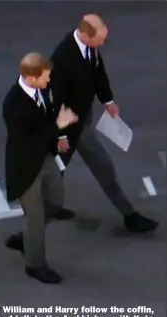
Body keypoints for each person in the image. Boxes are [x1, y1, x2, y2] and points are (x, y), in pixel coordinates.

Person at [49, 13, 158, 233]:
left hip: (81, 117)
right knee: (103, 166)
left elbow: (98, 74)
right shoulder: (63, 58)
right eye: (100, 39)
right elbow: (55, 96)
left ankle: (48, 204)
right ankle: (129, 215)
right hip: (72, 125)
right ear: (86, 35)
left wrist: (107, 100)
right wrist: (61, 131)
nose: (103, 44)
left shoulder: (89, 48)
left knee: (56, 167)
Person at [3, 53, 78, 283]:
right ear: (30, 77)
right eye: (44, 78)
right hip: (25, 166)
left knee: (55, 203)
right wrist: (58, 126)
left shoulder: (41, 88)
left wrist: (59, 135)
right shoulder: (13, 105)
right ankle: (35, 264)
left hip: (44, 157)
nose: (48, 82)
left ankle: (26, 238)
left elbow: (49, 116)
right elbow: (28, 141)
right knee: (35, 216)